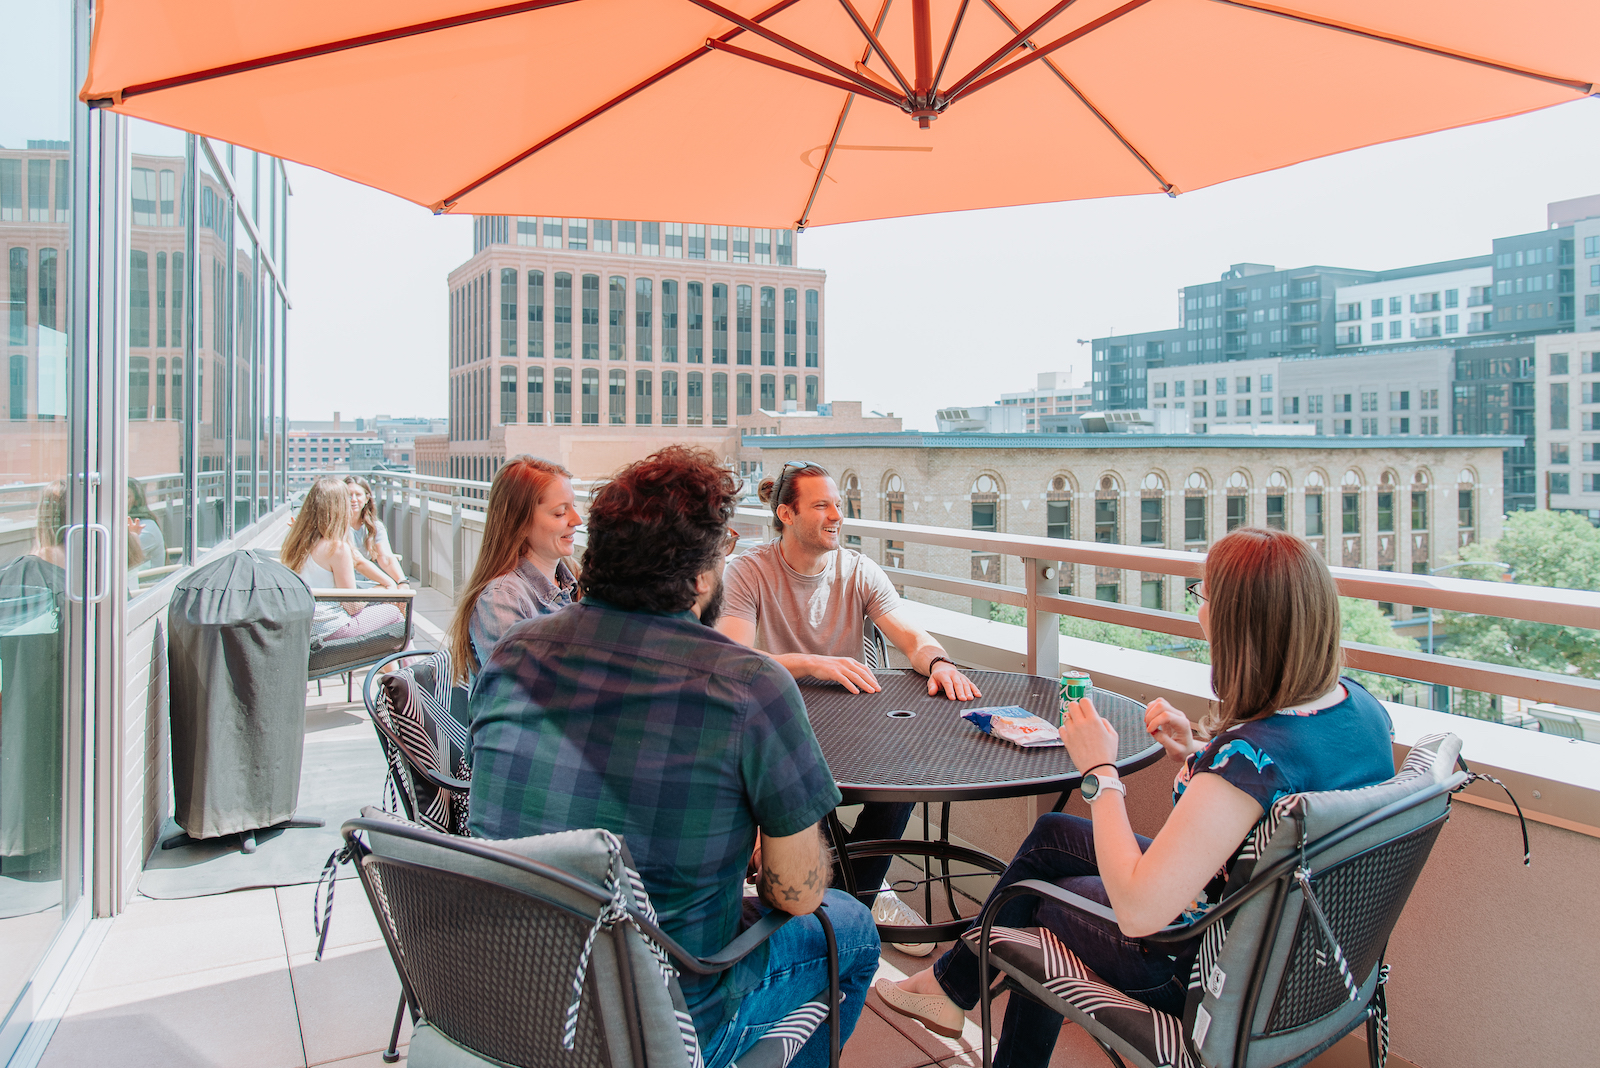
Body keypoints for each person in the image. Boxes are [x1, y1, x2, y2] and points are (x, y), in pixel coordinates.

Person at [874, 527, 1396, 1067]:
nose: (1200, 613)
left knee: (1032, 898)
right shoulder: (1362, 712)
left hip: (1198, 975)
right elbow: (1264, 796)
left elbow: (1138, 911)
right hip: (1300, 963)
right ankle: (948, 989)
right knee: (1054, 836)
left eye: (1204, 597)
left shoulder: (1244, 763)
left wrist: (1099, 769)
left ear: (1241, 624)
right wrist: (1197, 751)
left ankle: (967, 1008)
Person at [469, 446, 879, 1068]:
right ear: (703, 577)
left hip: (513, 994)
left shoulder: (514, 652)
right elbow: (794, 895)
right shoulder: (749, 684)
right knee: (847, 927)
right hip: (660, 1020)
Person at [717, 459, 982, 953]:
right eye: (822, 505)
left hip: (852, 735)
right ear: (787, 514)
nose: (837, 515)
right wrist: (813, 662)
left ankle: (846, 907)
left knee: (904, 783)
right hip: (779, 741)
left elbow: (908, 634)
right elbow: (735, 660)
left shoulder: (859, 569)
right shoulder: (748, 572)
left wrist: (940, 662)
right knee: (803, 804)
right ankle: (850, 910)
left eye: (839, 505)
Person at [446, 456, 580, 686]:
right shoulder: (501, 600)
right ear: (520, 521)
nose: (576, 520)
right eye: (560, 513)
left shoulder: (572, 576)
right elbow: (525, 693)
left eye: (573, 508)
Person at [281, 478, 404, 641]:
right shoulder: (337, 548)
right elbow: (352, 606)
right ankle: (401, 665)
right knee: (395, 614)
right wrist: (377, 592)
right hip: (331, 629)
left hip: (303, 627)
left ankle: (396, 667)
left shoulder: (294, 543)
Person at [343, 475, 406, 586]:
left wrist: (402, 582)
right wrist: (389, 583)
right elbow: (357, 562)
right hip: (344, 582)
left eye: (358, 495)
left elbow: (386, 557)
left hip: (369, 581)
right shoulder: (335, 527)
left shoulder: (375, 527)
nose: (353, 499)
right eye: (348, 495)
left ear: (367, 498)